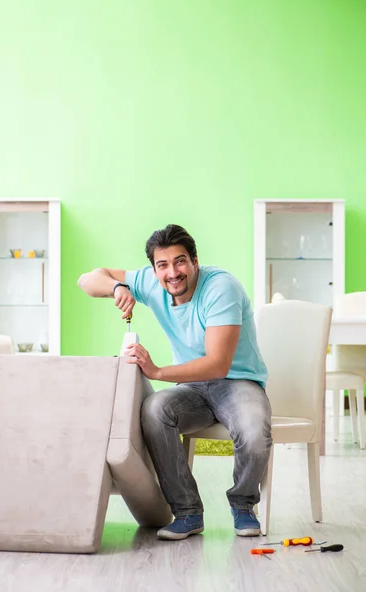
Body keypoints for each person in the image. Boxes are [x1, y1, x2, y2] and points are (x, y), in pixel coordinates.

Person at [78, 224, 272, 541]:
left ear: (195, 261)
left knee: (253, 429)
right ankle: (187, 513)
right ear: (154, 268)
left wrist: (156, 372)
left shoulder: (221, 288)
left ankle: (243, 505)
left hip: (238, 382)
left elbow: (217, 364)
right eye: (163, 265)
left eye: (180, 261)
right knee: (154, 410)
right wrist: (117, 288)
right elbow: (86, 280)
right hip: (193, 388)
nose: (173, 273)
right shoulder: (152, 282)